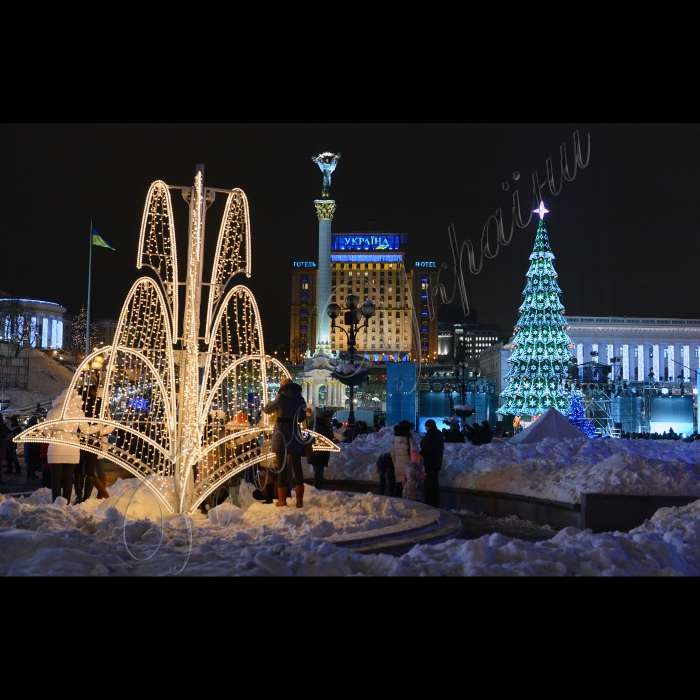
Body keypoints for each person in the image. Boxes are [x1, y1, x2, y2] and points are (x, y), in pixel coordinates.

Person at [262, 377, 307, 508]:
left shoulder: (281, 397)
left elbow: (268, 409)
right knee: (297, 468)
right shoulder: (300, 399)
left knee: (281, 468)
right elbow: (302, 418)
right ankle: (299, 499)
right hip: (295, 435)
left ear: (283, 386)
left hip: (281, 436)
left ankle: (282, 500)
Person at [420, 418, 445, 508]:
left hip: (431, 463)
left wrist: (420, 454)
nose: (426, 428)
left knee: (431, 484)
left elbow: (428, 449)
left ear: (428, 426)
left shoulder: (432, 436)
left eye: (426, 426)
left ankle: (431, 503)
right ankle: (433, 502)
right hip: (435, 463)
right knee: (432, 483)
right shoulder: (436, 434)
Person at [307, 410, 335, 490]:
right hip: (318, 453)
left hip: (318, 453)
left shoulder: (318, 424)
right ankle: (316, 489)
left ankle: (316, 489)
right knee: (318, 473)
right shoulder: (320, 426)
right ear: (325, 418)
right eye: (329, 417)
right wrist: (331, 439)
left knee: (318, 472)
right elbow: (322, 438)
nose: (330, 419)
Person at [390, 420, 418, 499]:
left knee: (399, 486)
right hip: (408, 467)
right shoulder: (409, 440)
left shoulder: (394, 440)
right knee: (407, 489)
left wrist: (395, 464)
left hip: (397, 466)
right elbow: (415, 453)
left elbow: (393, 454)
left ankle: (396, 504)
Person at [23, 414, 42, 479]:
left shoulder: (26, 427)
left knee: (29, 461)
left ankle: (29, 474)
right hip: (34, 446)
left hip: (28, 446)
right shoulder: (36, 428)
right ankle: (32, 474)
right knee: (33, 461)